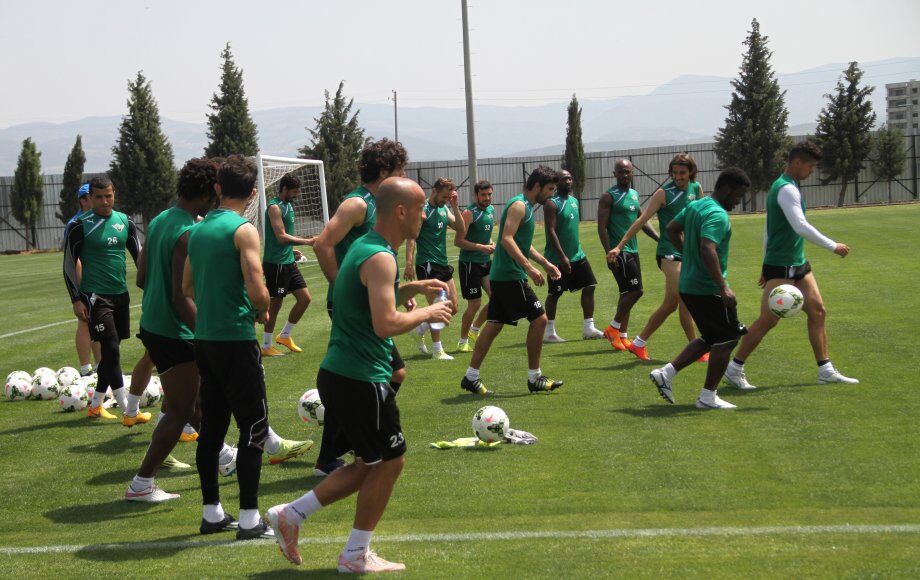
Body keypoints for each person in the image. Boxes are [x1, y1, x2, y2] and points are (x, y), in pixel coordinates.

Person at [266, 177, 452, 573]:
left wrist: (411, 289)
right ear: (400, 211)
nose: (424, 216)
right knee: (389, 462)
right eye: (420, 209)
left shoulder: (367, 247)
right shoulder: (380, 256)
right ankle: (353, 554)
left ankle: (291, 515)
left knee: (371, 463)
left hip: (343, 374)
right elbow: (385, 324)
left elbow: (367, 300)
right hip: (360, 377)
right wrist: (429, 311)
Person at [124, 158, 239, 501]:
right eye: (214, 195)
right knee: (179, 411)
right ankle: (141, 484)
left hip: (153, 324)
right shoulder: (188, 232)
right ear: (206, 192)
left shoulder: (160, 219)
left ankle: (225, 458)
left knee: (193, 402)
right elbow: (181, 297)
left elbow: (142, 277)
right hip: (175, 332)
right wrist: (207, 335)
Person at [184, 155, 286, 539]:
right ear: (254, 193)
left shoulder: (197, 230)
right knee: (254, 427)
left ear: (217, 188)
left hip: (205, 340)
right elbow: (258, 290)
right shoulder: (244, 230)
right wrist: (260, 310)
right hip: (236, 341)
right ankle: (249, 519)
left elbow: (187, 287)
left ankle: (211, 513)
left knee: (212, 429)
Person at [311, 138, 409, 478]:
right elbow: (322, 243)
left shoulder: (379, 204)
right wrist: (342, 286)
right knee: (377, 374)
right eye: (399, 170)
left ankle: (337, 449)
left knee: (392, 373)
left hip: (369, 302)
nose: (403, 176)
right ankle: (336, 451)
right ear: (383, 171)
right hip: (353, 307)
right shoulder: (357, 203)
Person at [723, 141, 858, 389]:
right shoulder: (786, 189)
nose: (812, 171)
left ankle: (825, 370)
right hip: (781, 265)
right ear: (797, 162)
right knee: (768, 320)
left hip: (798, 263)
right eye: (810, 166)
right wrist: (833, 246)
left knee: (818, 311)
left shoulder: (790, 186)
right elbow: (800, 226)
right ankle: (734, 368)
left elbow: (769, 228)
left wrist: (764, 263)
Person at [649, 168, 751, 409]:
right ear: (726, 189)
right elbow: (708, 248)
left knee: (711, 336)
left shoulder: (697, 205)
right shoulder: (717, 214)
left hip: (688, 283)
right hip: (707, 287)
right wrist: (723, 287)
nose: (739, 201)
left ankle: (666, 373)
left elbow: (672, 228)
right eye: (738, 195)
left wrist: (687, 255)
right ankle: (707, 397)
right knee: (727, 339)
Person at [460, 165, 564, 396]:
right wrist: (529, 268)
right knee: (540, 320)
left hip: (503, 275)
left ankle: (470, 377)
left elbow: (522, 243)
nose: (551, 194)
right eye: (549, 189)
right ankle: (535, 378)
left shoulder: (526, 206)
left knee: (494, 324)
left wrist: (544, 263)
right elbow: (506, 239)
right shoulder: (519, 206)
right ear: (537, 186)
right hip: (510, 275)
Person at [608, 153, 703, 361]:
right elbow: (641, 220)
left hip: (687, 253)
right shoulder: (663, 194)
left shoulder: (696, 189)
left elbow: (701, 216)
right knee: (686, 298)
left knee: (670, 304)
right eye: (674, 173)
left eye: (682, 173)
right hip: (668, 254)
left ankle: (638, 343)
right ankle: (697, 350)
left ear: (691, 172)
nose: (677, 177)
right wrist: (619, 246)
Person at [63, 175, 141, 420]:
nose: (105, 201)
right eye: (99, 197)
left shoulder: (125, 221)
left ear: (114, 193)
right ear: (90, 198)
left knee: (110, 353)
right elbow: (68, 264)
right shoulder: (80, 225)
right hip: (95, 296)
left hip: (121, 295)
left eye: (108, 196)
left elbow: (140, 257)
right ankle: (128, 409)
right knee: (112, 349)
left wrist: (152, 286)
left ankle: (96, 404)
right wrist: (76, 298)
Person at [597, 160, 660, 350]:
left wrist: (660, 239)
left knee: (627, 293)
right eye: (621, 172)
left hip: (633, 250)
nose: (625, 175)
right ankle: (613, 328)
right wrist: (609, 253)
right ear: (614, 174)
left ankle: (622, 336)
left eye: (628, 172)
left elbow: (642, 221)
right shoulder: (608, 196)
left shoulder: (633, 194)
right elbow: (601, 227)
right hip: (619, 251)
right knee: (636, 291)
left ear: (632, 173)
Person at [405, 177, 466, 360]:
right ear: (434, 190)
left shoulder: (444, 209)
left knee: (453, 307)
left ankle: (419, 328)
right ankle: (437, 350)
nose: (446, 200)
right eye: (444, 197)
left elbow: (461, 228)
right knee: (438, 306)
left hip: (442, 263)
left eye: (448, 197)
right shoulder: (423, 210)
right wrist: (409, 264)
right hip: (427, 264)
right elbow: (412, 237)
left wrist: (455, 206)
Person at [542, 169, 604, 343]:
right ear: (556, 183)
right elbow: (551, 231)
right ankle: (549, 332)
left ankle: (588, 328)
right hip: (557, 259)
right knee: (555, 293)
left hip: (578, 255)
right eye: (564, 179)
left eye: (570, 178)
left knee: (590, 286)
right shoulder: (551, 204)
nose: (568, 181)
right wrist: (562, 257)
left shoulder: (574, 201)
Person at [260, 173, 316, 357]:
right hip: (276, 264)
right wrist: (308, 242)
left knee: (305, 299)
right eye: (294, 191)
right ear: (284, 189)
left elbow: (285, 240)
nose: (297, 194)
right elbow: (281, 237)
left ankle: (284, 336)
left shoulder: (288, 205)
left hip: (288, 261)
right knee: (275, 305)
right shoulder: (274, 207)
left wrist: (291, 250)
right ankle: (266, 345)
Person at [63, 183, 101, 376]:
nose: (97, 201)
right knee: (85, 321)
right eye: (92, 197)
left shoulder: (95, 220)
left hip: (97, 278)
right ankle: (86, 368)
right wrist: (80, 288)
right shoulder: (76, 223)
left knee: (98, 321)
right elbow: (73, 258)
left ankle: (100, 366)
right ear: (83, 200)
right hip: (85, 279)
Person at [454, 179, 495, 352]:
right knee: (475, 303)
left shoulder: (491, 210)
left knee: (497, 297)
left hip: (485, 262)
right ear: (476, 195)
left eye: (489, 194)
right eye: (483, 195)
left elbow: (484, 235)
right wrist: (481, 247)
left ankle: (475, 329)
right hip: (470, 264)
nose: (487, 198)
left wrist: (490, 243)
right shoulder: (469, 213)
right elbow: (458, 241)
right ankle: (462, 341)